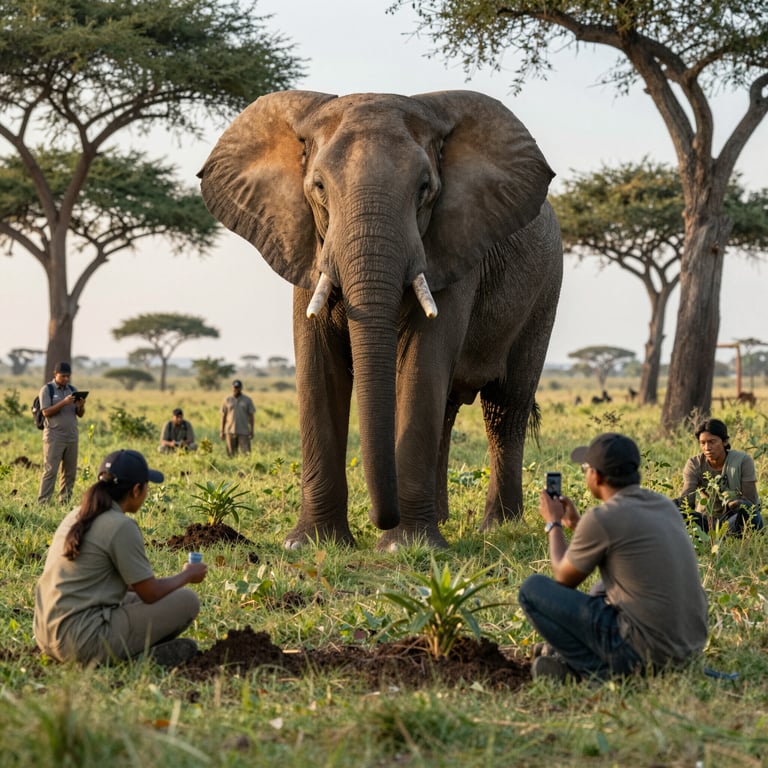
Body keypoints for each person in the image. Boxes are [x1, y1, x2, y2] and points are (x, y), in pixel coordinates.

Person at [518, 432, 708, 683]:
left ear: (596, 476)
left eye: (586, 469)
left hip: (647, 651)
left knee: (532, 590)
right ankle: (579, 661)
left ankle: (592, 671)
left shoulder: (602, 517)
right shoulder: (663, 504)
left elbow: (563, 578)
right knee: (602, 586)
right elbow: (623, 546)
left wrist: (553, 524)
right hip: (689, 646)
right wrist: (577, 524)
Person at [34, 449, 207, 668]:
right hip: (80, 642)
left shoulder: (77, 515)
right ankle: (133, 661)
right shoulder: (121, 525)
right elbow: (150, 593)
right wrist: (187, 575)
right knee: (186, 600)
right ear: (136, 490)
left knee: (155, 597)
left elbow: (124, 585)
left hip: (46, 635)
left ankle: (131, 652)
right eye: (146, 486)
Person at [674, 418, 763, 536]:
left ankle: (730, 534)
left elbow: (750, 503)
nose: (707, 447)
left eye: (712, 442)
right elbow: (686, 503)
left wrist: (735, 503)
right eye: (703, 443)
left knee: (746, 509)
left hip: (735, 517)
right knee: (671, 508)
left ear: (725, 441)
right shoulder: (694, 464)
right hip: (707, 520)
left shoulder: (742, 461)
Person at [37, 361, 86, 505]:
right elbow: (46, 412)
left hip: (72, 436)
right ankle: (43, 503)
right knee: (50, 471)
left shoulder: (72, 389)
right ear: (55, 374)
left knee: (69, 473)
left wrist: (81, 406)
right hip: (54, 436)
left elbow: (80, 414)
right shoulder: (47, 390)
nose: (66, 379)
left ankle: (64, 502)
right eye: (63, 376)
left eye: (68, 376)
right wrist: (63, 403)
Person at [220, 379, 255, 456]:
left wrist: (252, 430)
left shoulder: (247, 400)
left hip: (243, 431)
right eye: (235, 387)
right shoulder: (227, 400)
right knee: (230, 454)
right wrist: (222, 431)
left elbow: (251, 416)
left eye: (238, 387)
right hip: (230, 431)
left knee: (246, 454)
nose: (236, 389)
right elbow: (223, 416)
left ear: (241, 388)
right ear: (232, 388)